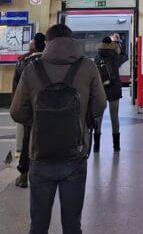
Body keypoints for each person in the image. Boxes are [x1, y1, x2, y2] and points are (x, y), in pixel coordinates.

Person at [10, 23, 106, 234]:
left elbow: (16, 112)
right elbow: (99, 105)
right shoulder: (87, 67)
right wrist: (81, 118)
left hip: (40, 155)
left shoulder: (32, 69)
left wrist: (37, 121)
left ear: (47, 43)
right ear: (72, 41)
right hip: (75, 155)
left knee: (39, 225)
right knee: (72, 225)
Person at [12, 32, 46, 188]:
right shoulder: (52, 62)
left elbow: (16, 90)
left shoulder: (23, 63)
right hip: (49, 110)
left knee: (27, 142)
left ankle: (24, 175)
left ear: (33, 44)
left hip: (30, 111)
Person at [93, 33, 128, 152]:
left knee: (98, 117)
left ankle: (96, 146)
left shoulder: (97, 56)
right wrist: (118, 45)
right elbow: (125, 56)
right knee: (114, 116)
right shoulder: (115, 56)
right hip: (114, 89)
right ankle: (116, 146)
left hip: (100, 89)